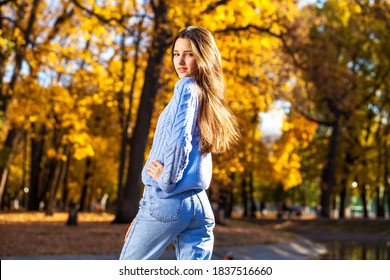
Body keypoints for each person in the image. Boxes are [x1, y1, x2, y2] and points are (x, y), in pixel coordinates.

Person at [119, 26, 239, 260]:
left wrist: (165, 179)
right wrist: (144, 211)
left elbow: (180, 141)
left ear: (203, 56)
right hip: (199, 207)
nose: (180, 61)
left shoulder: (185, 88)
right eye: (176, 53)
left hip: (169, 199)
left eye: (189, 54)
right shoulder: (207, 95)